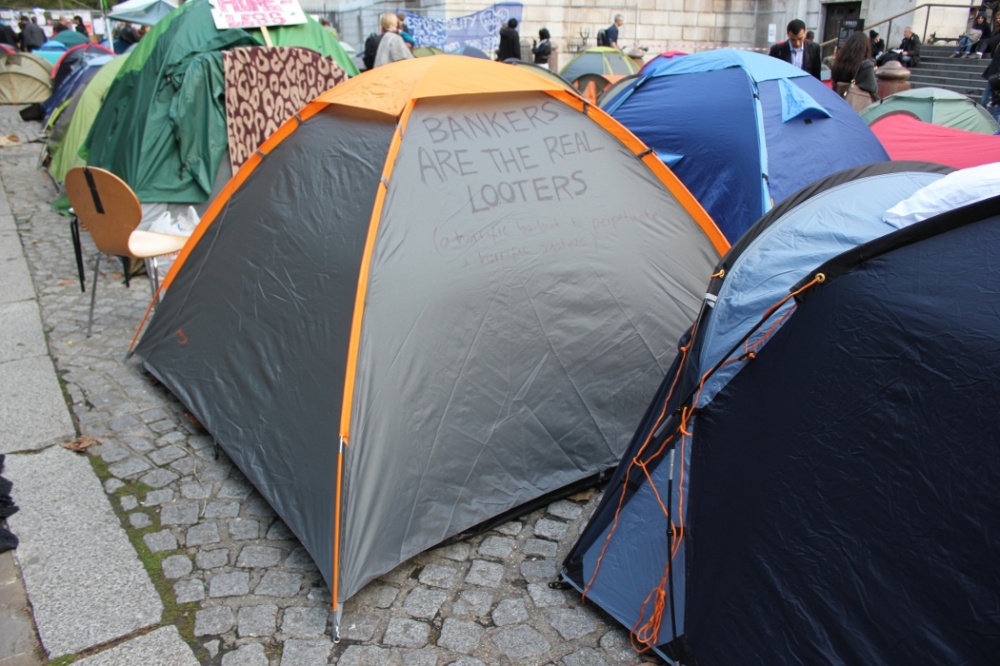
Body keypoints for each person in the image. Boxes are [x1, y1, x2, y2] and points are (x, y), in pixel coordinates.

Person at [831, 31, 879, 106]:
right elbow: (873, 88)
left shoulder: (839, 62)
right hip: (855, 105)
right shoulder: (865, 65)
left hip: (836, 101)